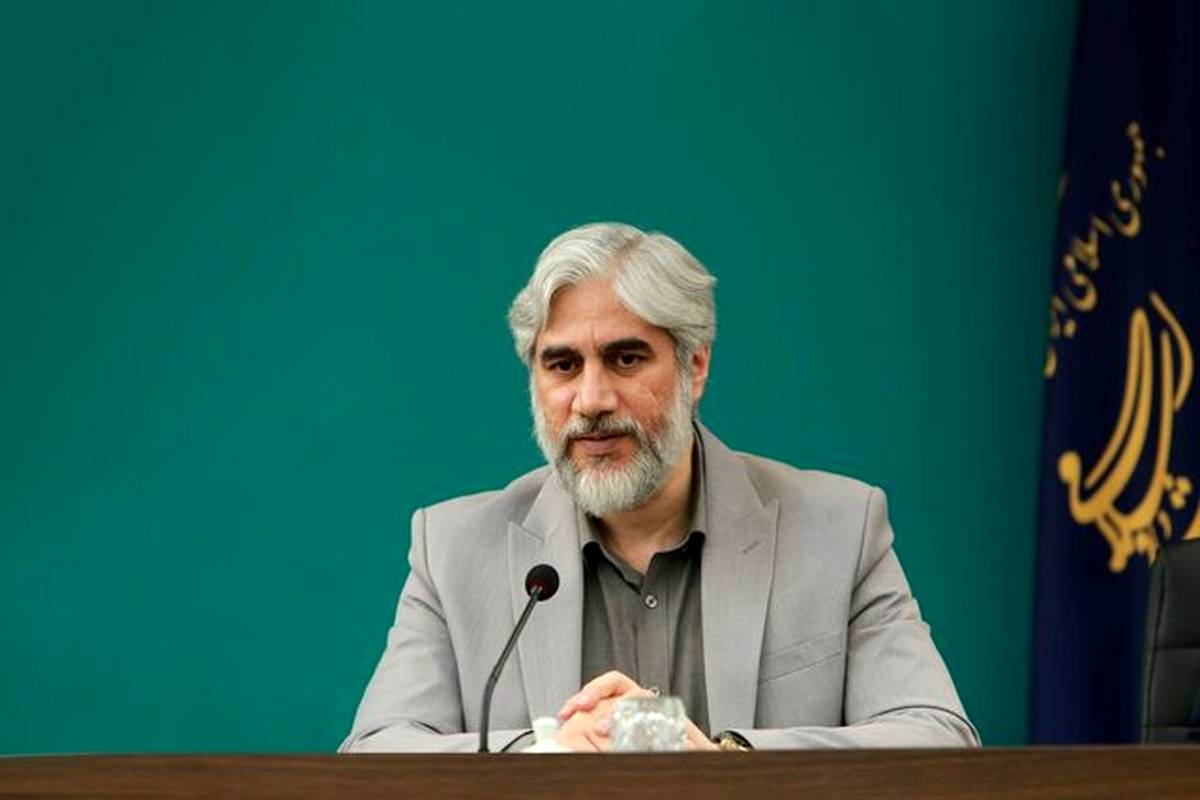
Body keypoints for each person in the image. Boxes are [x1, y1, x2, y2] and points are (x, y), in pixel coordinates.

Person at [340, 222, 979, 752]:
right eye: (563, 365)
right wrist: (548, 750)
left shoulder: (839, 529)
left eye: (626, 359)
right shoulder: (453, 548)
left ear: (694, 367)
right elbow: (374, 753)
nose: (591, 400)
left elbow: (938, 739)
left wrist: (725, 761)